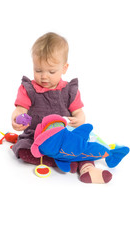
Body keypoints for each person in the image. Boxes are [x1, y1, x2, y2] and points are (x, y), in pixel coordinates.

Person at [11, 32, 112, 184]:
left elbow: (79, 112)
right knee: (23, 149)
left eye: (51, 71)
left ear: (64, 68)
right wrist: (16, 119)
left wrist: (78, 120)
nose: (44, 76)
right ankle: (57, 160)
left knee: (81, 146)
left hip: (65, 135)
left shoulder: (69, 90)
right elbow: (20, 108)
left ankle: (87, 169)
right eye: (38, 70)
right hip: (37, 136)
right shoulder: (28, 89)